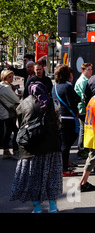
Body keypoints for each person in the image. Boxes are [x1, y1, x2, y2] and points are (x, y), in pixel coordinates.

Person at [10, 81, 62, 213]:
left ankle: (37, 208)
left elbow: (18, 125)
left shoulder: (22, 104)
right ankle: (53, 207)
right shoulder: (53, 103)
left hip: (30, 148)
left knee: (33, 178)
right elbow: (59, 124)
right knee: (52, 177)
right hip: (51, 147)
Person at [52, 64, 81, 177]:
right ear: (67, 75)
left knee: (63, 143)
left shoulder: (55, 86)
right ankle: (64, 168)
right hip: (68, 118)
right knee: (66, 144)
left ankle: (63, 164)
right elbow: (73, 102)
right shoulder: (67, 87)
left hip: (59, 117)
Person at [0, 70, 20, 159]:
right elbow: (16, 100)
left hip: (5, 112)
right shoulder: (5, 87)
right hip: (8, 113)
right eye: (9, 77)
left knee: (8, 132)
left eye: (12, 76)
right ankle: (15, 152)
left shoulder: (3, 86)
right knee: (16, 131)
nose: (12, 79)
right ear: (4, 77)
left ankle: (6, 151)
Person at [74, 63, 93, 158]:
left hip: (84, 108)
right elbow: (84, 96)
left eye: (91, 69)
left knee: (84, 128)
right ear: (83, 71)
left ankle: (83, 148)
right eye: (88, 69)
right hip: (83, 108)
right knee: (83, 129)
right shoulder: (82, 81)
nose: (90, 71)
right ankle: (81, 149)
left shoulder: (86, 80)